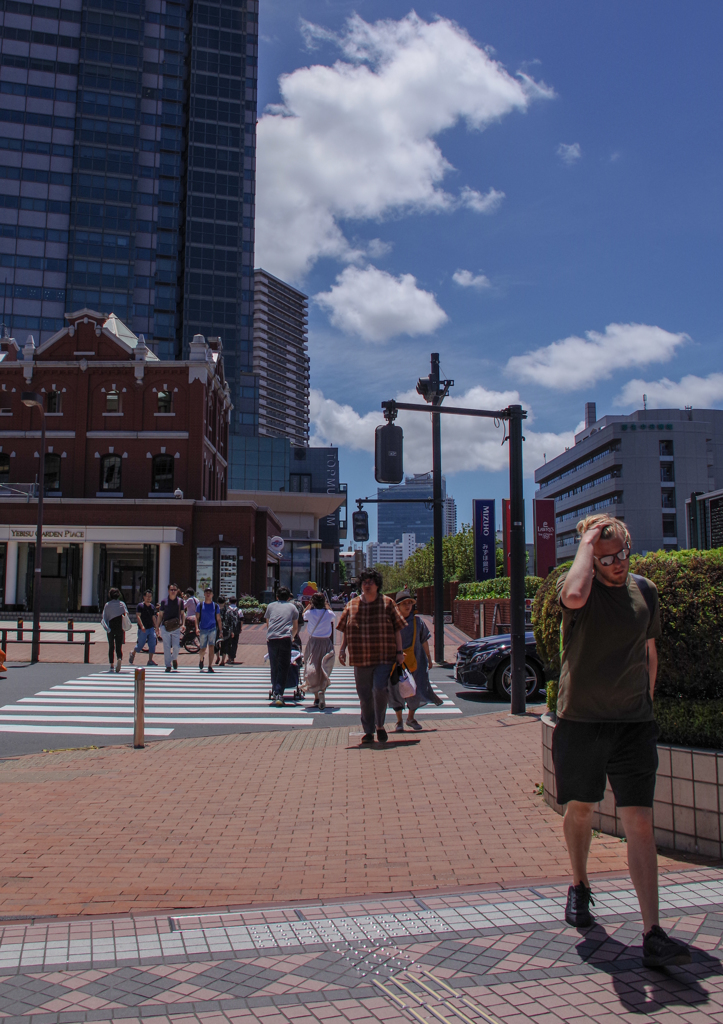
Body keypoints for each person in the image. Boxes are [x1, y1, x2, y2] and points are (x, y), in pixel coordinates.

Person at [555, 513, 690, 968]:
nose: (616, 563)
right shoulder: (581, 586)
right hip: (582, 720)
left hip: (633, 722)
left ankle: (652, 931)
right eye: (605, 556)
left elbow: (648, 648)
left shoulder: (644, 590)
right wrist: (587, 545)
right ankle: (580, 884)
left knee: (641, 822)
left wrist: (646, 697)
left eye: (621, 555)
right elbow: (572, 596)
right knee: (582, 809)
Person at [337, 568, 406, 744]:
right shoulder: (351, 605)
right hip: (360, 657)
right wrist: (342, 648)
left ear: (377, 585)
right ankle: (368, 730)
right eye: (364, 582)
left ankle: (380, 726)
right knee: (364, 695)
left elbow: (397, 629)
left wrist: (399, 652)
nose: (367, 585)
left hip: (384, 655)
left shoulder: (388, 603)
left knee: (379, 689)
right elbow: (345, 629)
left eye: (371, 582)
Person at [388, 590, 441, 731]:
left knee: (416, 689)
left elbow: (424, 640)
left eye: (409, 603)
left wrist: (429, 658)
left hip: (416, 661)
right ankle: (399, 721)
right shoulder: (392, 623)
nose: (407, 606)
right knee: (395, 690)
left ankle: (410, 718)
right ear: (397, 606)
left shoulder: (418, 622)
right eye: (404, 603)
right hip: (396, 663)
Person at [264, 586, 299, 706]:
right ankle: (279, 693)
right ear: (289, 597)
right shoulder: (292, 607)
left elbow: (268, 623)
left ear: (277, 596)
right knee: (283, 666)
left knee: (274, 664)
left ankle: (275, 689)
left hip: (272, 638)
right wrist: (292, 637)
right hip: (285, 638)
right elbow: (295, 627)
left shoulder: (270, 606)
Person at [302, 592, 336, 710]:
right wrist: (327, 605)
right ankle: (322, 691)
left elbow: (303, 615)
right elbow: (333, 616)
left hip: (314, 643)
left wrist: (309, 605)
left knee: (313, 666)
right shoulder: (329, 613)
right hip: (326, 642)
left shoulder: (309, 613)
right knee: (324, 668)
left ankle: (316, 696)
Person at [158, 583, 184, 673]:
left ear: (177, 591)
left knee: (176, 646)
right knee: (166, 647)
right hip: (165, 626)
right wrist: (157, 627)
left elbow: (182, 614)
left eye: (175, 590)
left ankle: (174, 658)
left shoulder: (180, 601)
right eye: (171, 590)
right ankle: (168, 665)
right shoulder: (164, 601)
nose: (173, 591)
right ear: (168, 591)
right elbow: (160, 615)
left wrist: (183, 624)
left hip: (176, 627)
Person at [101, 588, 129, 673]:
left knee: (111, 646)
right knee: (119, 645)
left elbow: (104, 618)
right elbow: (126, 613)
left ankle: (111, 664)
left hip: (111, 626)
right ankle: (119, 658)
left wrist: (107, 628)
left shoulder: (107, 605)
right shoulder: (121, 604)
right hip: (119, 626)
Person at [129, 589, 158, 666]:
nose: (148, 598)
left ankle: (150, 660)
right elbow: (138, 616)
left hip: (151, 628)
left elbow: (153, 617)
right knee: (140, 645)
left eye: (150, 596)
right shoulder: (140, 606)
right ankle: (133, 653)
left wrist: (156, 627)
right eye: (147, 596)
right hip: (143, 629)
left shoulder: (152, 607)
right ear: (144, 597)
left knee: (152, 643)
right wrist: (142, 626)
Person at [196, 587, 222, 672]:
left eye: (210, 592)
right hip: (203, 629)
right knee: (202, 648)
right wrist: (197, 628)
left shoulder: (215, 605)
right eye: (206, 592)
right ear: (204, 594)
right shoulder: (200, 605)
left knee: (211, 647)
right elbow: (196, 618)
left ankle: (210, 666)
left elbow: (218, 619)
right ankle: (201, 659)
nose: (208, 594)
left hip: (212, 628)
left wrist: (220, 630)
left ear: (212, 595)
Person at [227, 596, 242, 664]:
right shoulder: (239, 610)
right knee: (235, 643)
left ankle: (229, 656)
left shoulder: (227, 610)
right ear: (236, 602)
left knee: (228, 642)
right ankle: (232, 657)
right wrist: (240, 628)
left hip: (228, 629)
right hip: (236, 629)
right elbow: (241, 620)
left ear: (229, 602)